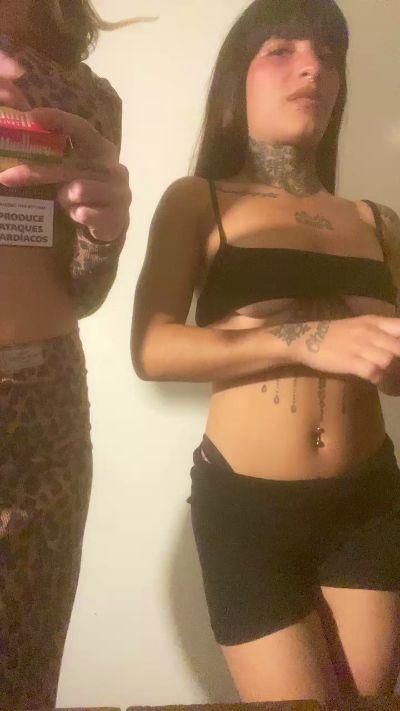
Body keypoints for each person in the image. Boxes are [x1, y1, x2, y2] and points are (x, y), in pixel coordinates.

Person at [131, 0, 400, 707]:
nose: (314, 68)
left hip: (368, 499)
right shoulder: (199, 201)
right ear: (237, 79)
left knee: (372, 698)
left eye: (329, 57)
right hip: (248, 509)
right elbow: (152, 349)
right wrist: (311, 338)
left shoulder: (376, 221)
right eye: (282, 50)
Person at [0, 0, 136, 706]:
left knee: (24, 680)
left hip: (43, 419)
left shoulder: (87, 96)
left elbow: (82, 291)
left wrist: (103, 230)